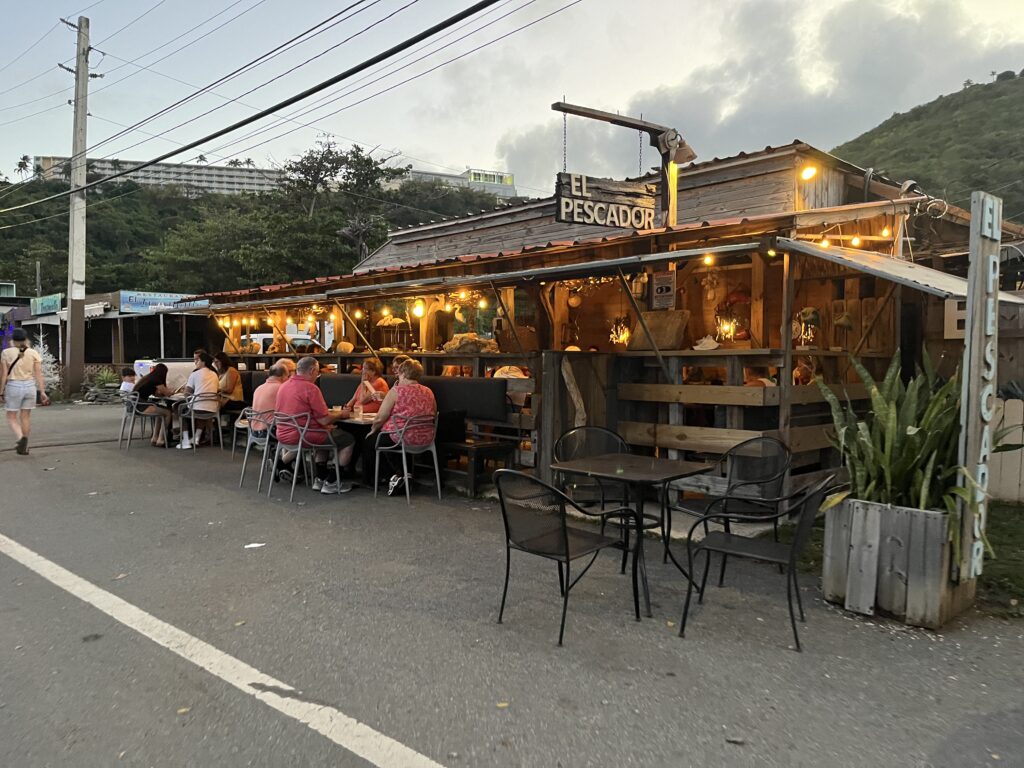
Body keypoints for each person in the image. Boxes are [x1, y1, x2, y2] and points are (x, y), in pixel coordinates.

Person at [274, 356, 354, 494]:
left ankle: (320, 479)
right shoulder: (311, 388)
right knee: (348, 440)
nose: (318, 376)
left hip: (282, 434)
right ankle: (332, 482)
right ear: (311, 370)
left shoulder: (284, 385)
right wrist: (342, 415)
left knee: (325, 436)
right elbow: (324, 420)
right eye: (318, 372)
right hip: (303, 435)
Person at [363, 359, 437, 496]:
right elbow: (433, 413)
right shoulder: (429, 392)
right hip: (426, 438)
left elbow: (380, 417)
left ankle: (378, 479)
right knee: (388, 439)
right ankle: (403, 475)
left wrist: (373, 430)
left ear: (403, 373)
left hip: (402, 437)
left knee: (371, 441)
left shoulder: (396, 391)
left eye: (399, 373)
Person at [0, 328, 49, 455]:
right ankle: (25, 446)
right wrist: (42, 391)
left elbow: (4, 374)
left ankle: (21, 438)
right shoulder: (33, 353)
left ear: (13, 340)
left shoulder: (6, 353)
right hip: (30, 387)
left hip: (14, 386)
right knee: (25, 416)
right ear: (26, 339)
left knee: (11, 416)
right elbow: (39, 374)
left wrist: (1, 391)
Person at [176, 351, 220, 450]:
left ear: (203, 361)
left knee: (179, 408)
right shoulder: (214, 374)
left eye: (197, 359)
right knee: (201, 411)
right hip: (213, 408)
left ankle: (186, 440)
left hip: (197, 407)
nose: (195, 362)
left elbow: (187, 393)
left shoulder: (195, 374)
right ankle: (196, 437)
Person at [132, 363, 173, 446]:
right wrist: (173, 391)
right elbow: (167, 393)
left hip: (134, 404)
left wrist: (165, 393)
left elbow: (156, 394)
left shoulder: (148, 378)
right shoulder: (156, 380)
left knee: (160, 412)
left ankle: (155, 438)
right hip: (141, 406)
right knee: (168, 413)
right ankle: (161, 439)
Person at [250, 361, 292, 435]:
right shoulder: (281, 388)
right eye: (287, 376)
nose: (288, 379)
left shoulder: (259, 388)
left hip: (254, 431)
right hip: (269, 431)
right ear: (282, 376)